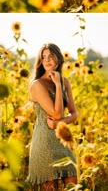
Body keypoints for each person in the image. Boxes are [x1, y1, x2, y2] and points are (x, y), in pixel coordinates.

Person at [27, 43, 77, 190]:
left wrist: (58, 124)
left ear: (58, 59)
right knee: (51, 188)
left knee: (73, 182)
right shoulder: (37, 84)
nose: (47, 60)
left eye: (51, 56)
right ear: (40, 61)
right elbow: (57, 113)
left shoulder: (65, 81)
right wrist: (57, 85)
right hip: (45, 143)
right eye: (44, 57)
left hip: (62, 141)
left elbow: (74, 114)